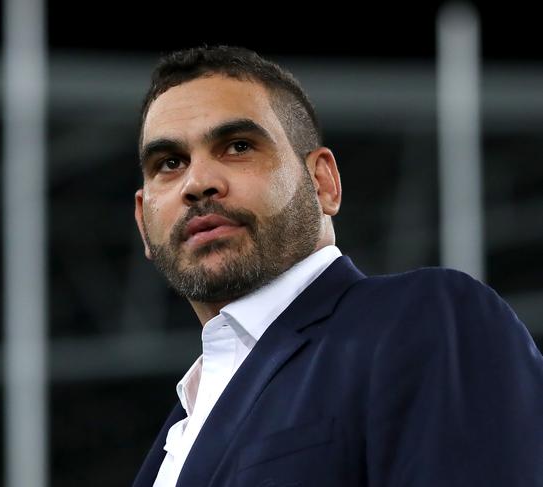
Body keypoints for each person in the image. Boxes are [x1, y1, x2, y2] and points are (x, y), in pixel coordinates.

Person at [131, 45, 543, 487]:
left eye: (237, 146)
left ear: (323, 182)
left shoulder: (421, 319)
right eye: (169, 163)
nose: (197, 183)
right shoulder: (177, 434)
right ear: (143, 221)